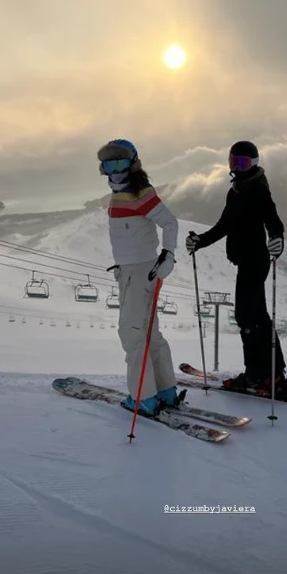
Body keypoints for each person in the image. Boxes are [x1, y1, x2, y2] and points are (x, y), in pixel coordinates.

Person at [185, 140, 287, 397]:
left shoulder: (257, 189)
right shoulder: (235, 191)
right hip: (247, 262)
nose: (237, 167)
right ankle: (271, 373)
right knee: (257, 317)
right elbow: (224, 225)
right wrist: (200, 241)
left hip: (255, 262)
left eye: (242, 163)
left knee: (248, 319)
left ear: (253, 164)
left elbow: (273, 220)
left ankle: (257, 375)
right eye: (233, 161)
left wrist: (277, 238)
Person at [97, 138, 181, 416]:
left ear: (133, 163)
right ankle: (165, 390)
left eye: (121, 163)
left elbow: (169, 222)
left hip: (139, 274)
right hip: (136, 272)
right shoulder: (122, 193)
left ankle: (143, 399)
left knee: (132, 336)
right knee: (149, 334)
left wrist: (168, 255)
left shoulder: (140, 193)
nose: (115, 170)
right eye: (110, 164)